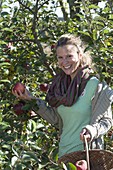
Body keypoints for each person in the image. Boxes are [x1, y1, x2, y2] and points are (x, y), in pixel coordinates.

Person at [12, 34, 113, 160]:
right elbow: (55, 119)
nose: (64, 62)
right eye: (60, 57)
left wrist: (93, 131)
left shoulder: (96, 85)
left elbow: (107, 121)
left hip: (87, 156)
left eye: (69, 56)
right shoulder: (59, 86)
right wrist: (31, 100)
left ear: (80, 55)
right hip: (65, 155)